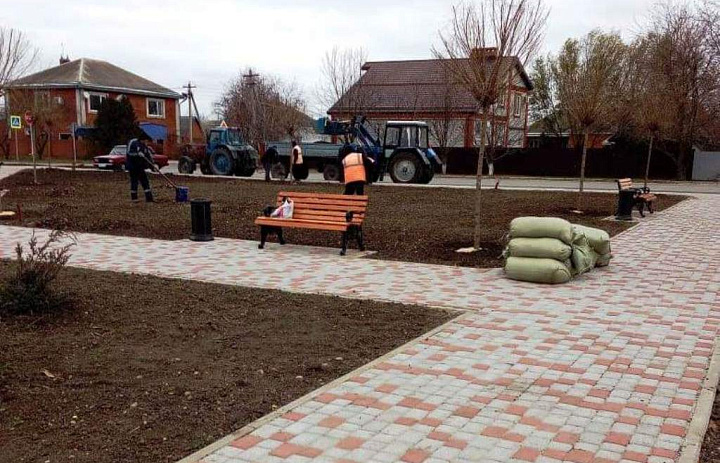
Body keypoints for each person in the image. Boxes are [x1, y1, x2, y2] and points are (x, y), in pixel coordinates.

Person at [126, 134, 155, 202]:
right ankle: (134, 198)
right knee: (134, 181)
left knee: (145, 181)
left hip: (140, 167)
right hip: (132, 166)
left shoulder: (144, 146)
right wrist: (137, 154)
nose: (146, 142)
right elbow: (129, 152)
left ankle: (149, 198)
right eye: (146, 141)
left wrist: (152, 166)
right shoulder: (133, 142)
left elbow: (148, 156)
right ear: (142, 139)